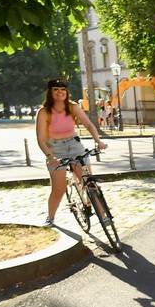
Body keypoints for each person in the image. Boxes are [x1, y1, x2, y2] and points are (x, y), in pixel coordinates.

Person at [35, 79, 107, 227]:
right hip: (55, 149)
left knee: (89, 183)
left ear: (66, 92)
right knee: (59, 189)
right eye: (56, 89)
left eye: (63, 89)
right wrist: (50, 157)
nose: (60, 92)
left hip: (75, 145)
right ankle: (50, 218)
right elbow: (41, 139)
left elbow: (88, 124)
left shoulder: (72, 107)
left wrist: (98, 141)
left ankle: (104, 216)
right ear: (50, 92)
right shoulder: (43, 112)